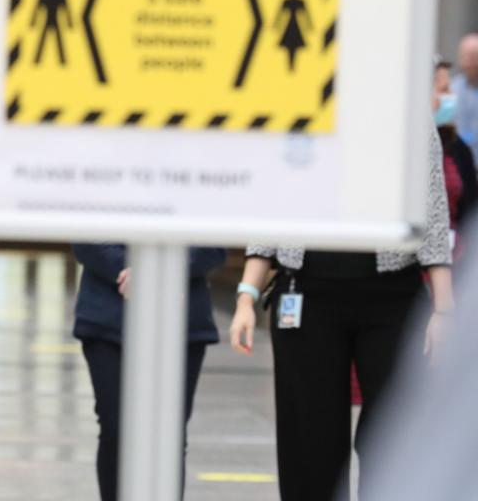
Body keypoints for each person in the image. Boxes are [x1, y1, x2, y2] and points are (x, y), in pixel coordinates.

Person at [229, 128, 453, 501]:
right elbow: (271, 202)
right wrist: (246, 296)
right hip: (306, 296)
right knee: (309, 444)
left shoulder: (405, 103)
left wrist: (444, 310)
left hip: (393, 295)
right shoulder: (296, 103)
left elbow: (432, 206)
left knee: (394, 437)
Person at [72, 244, 224, 501]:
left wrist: (164, 272)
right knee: (116, 429)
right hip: (108, 315)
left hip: (182, 319)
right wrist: (134, 272)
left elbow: (214, 243)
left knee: (170, 435)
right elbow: (86, 237)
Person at [433, 60, 478, 247]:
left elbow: (469, 207)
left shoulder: (456, 146)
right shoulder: (404, 152)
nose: (451, 97)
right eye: (444, 90)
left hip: (455, 255)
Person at [451, 32, 478, 157]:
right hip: (461, 161)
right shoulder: (453, 89)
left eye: (473, 57)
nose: (469, 62)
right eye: (465, 56)